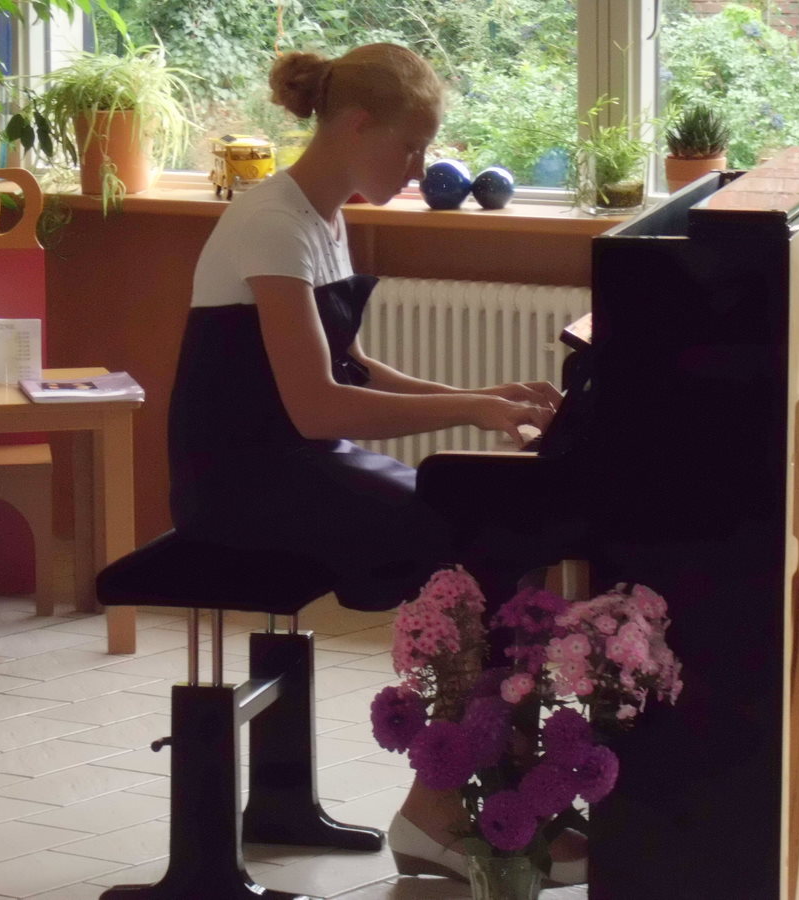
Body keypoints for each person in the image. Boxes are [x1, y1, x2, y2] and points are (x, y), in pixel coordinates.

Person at [167, 42, 585, 884]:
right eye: (410, 146)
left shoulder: (324, 216)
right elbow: (318, 407)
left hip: (296, 461)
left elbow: (350, 365)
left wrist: (481, 393)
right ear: (356, 125)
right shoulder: (272, 221)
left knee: (496, 523)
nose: (420, 167)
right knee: (472, 536)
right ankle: (441, 811)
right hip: (241, 482)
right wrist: (470, 410)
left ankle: (484, 792)